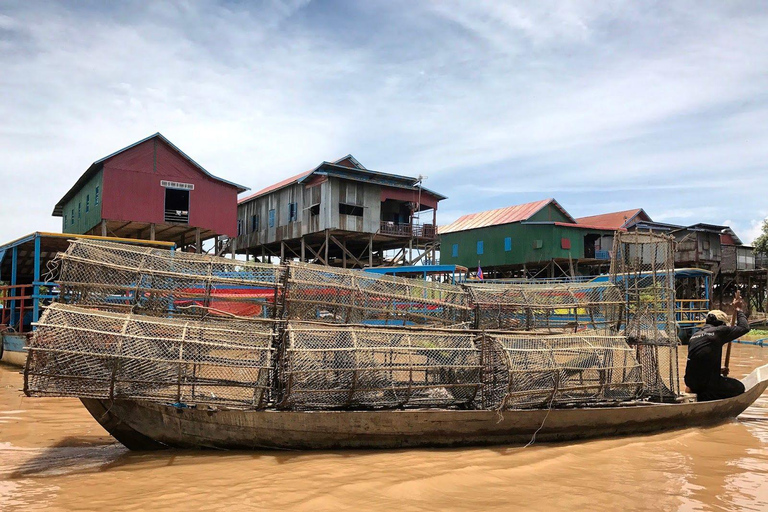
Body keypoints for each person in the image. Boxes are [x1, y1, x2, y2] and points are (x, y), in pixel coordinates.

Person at [684, 298, 750, 401]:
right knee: (739, 387)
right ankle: (705, 396)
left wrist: (717, 371)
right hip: (707, 384)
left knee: (705, 382)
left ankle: (695, 391)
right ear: (722, 324)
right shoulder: (720, 331)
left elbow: (699, 361)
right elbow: (744, 327)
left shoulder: (694, 336)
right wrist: (738, 309)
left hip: (691, 382)